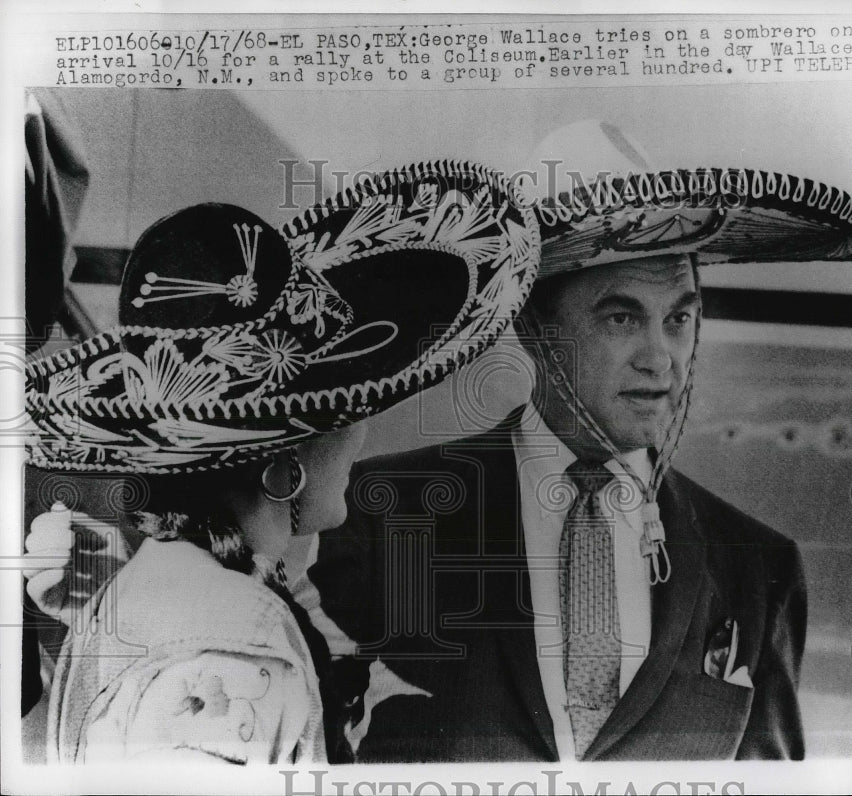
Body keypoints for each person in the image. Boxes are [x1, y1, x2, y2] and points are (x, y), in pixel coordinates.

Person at [307, 121, 852, 761]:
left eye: (679, 319)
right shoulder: (380, 512)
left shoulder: (757, 569)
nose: (661, 358)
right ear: (532, 328)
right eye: (621, 317)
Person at [21, 160, 539, 764]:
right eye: (350, 411)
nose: (362, 435)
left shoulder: (140, 584)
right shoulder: (245, 641)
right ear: (283, 462)